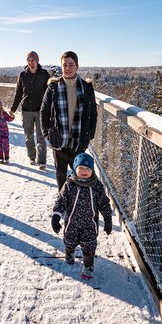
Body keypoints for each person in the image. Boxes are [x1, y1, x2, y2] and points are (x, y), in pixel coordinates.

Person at [40, 51, 98, 190]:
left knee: (78, 173)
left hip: (79, 140)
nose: (68, 68)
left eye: (71, 64)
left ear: (77, 66)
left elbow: (93, 114)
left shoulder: (86, 87)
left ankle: (75, 202)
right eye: (65, 65)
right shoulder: (53, 87)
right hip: (59, 139)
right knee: (60, 173)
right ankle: (62, 199)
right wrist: (47, 135)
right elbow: (44, 112)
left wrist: (90, 135)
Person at [51, 152, 112, 279]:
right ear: (74, 169)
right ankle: (69, 253)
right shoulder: (69, 184)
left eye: (87, 169)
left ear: (92, 170)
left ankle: (88, 266)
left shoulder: (96, 186)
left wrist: (107, 218)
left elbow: (104, 203)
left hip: (90, 224)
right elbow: (61, 200)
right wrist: (56, 216)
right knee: (69, 240)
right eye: (81, 168)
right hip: (72, 222)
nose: (84, 171)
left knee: (89, 245)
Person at [9, 51, 50, 170]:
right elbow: (18, 93)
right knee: (29, 136)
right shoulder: (22, 75)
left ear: (37, 60)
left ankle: (42, 161)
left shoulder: (44, 74)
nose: (31, 62)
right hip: (26, 110)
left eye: (33, 60)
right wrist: (12, 109)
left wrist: (50, 110)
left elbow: (49, 93)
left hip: (40, 111)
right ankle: (32, 157)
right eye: (29, 60)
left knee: (41, 137)